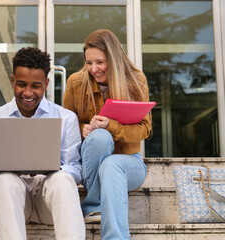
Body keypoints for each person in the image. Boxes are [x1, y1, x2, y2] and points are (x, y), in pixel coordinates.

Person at [0, 47, 85, 240]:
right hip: (13, 203)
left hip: (49, 201)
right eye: (21, 84)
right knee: (5, 179)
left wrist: (48, 169)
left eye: (36, 86)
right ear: (12, 80)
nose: (28, 92)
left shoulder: (66, 118)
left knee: (62, 179)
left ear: (46, 83)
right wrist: (12, 171)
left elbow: (76, 170)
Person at [63, 29, 152, 240]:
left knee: (111, 163)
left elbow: (145, 129)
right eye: (88, 62)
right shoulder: (75, 82)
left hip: (130, 163)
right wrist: (82, 130)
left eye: (100, 62)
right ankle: (94, 205)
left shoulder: (135, 80)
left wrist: (112, 126)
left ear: (113, 58)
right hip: (91, 164)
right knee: (99, 138)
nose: (93, 69)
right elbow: (66, 127)